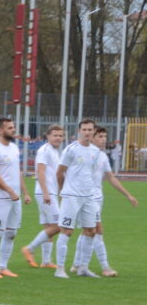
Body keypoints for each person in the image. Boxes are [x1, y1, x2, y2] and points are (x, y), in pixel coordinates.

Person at [72, 126, 138, 276]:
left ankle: (77, 264)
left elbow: (110, 177)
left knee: (86, 231)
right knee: (97, 231)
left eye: (104, 136)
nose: (103, 139)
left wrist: (128, 195)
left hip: (97, 198)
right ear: (92, 137)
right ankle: (105, 267)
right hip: (87, 198)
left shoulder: (102, 156)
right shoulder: (82, 153)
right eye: (100, 136)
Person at [54, 119, 101, 280]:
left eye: (90, 130)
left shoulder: (95, 151)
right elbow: (60, 172)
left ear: (94, 132)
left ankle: (83, 267)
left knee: (91, 231)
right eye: (84, 129)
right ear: (79, 131)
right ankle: (59, 268)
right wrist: (62, 192)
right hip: (71, 196)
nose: (87, 132)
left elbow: (90, 173)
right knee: (67, 231)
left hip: (88, 197)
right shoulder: (71, 149)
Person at [0, 117, 31, 279]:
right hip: (0, 199)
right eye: (10, 128)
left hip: (15, 198)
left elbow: (17, 172)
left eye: (13, 127)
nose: (13, 130)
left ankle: (3, 266)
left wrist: (25, 192)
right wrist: (10, 191)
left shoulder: (14, 148)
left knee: (11, 233)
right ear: (0, 130)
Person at [21, 126, 66, 269]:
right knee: (59, 225)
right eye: (55, 135)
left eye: (60, 135)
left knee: (48, 226)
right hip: (45, 193)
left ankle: (46, 261)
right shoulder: (44, 151)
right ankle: (30, 248)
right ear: (48, 136)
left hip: (49, 192)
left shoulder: (54, 151)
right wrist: (46, 192)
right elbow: (40, 171)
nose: (58, 138)